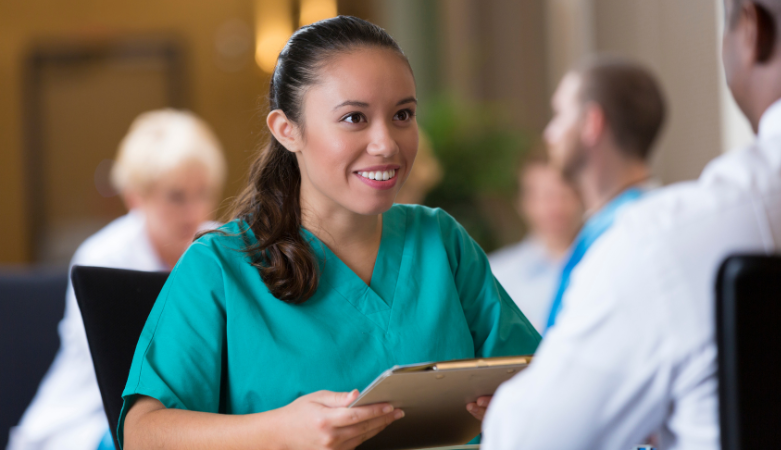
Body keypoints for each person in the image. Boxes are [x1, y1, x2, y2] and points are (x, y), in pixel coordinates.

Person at [120, 16, 540, 450]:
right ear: (288, 130)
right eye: (354, 117)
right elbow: (142, 434)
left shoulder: (441, 241)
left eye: (403, 115)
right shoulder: (220, 267)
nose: (386, 144)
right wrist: (278, 433)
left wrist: (520, 405)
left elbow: (537, 377)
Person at [483, 0, 781, 448]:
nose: (549, 133)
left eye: (559, 115)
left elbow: (527, 439)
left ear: (751, 28)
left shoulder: (660, 243)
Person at [7, 109, 227, 450]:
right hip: (94, 418)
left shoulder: (222, 248)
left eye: (203, 193)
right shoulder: (103, 259)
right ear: (136, 197)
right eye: (176, 196)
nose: (194, 212)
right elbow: (124, 376)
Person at [542, 56, 666, 331]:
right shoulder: (644, 222)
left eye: (559, 115)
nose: (549, 134)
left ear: (591, 122)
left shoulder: (624, 236)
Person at [489, 155, 583, 331]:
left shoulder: (603, 262)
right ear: (523, 203)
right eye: (546, 196)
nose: (556, 207)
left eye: (565, 194)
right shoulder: (495, 276)